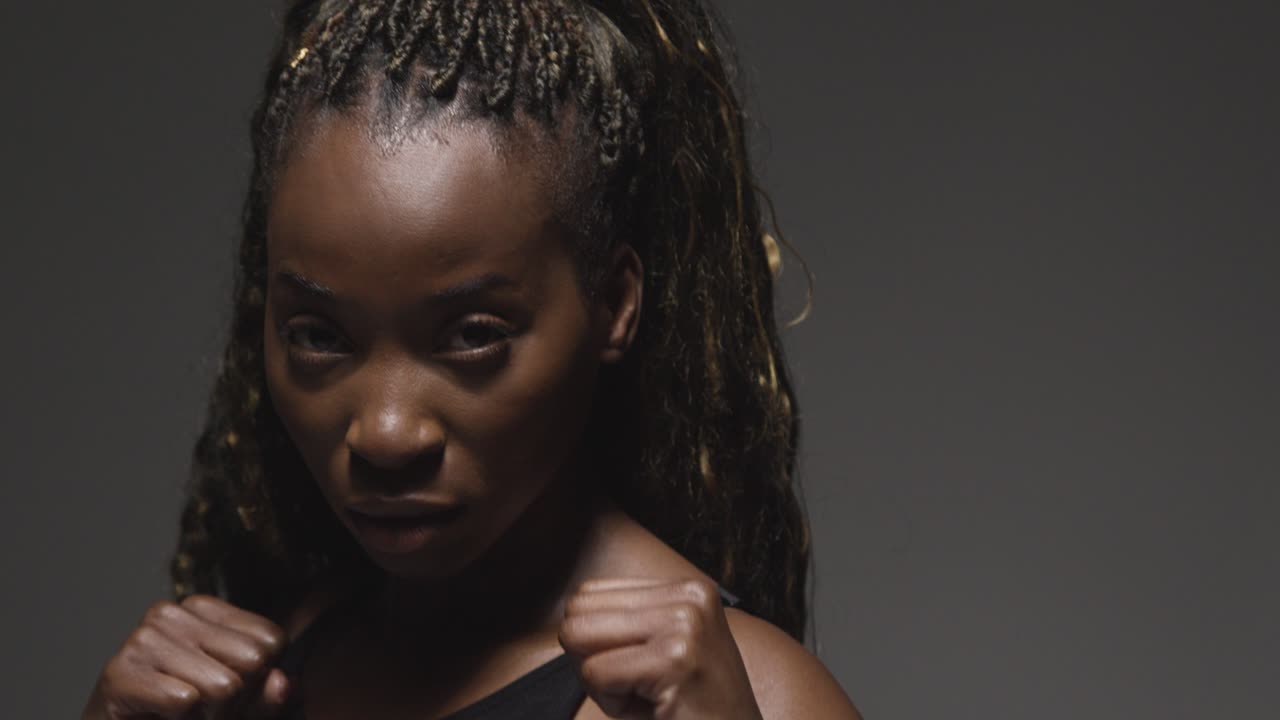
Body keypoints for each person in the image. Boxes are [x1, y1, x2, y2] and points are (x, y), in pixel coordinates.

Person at [83, 1, 861, 717]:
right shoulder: (277, 671)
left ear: (615, 304)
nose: (386, 433)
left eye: (471, 335)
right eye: (319, 335)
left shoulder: (756, 699)